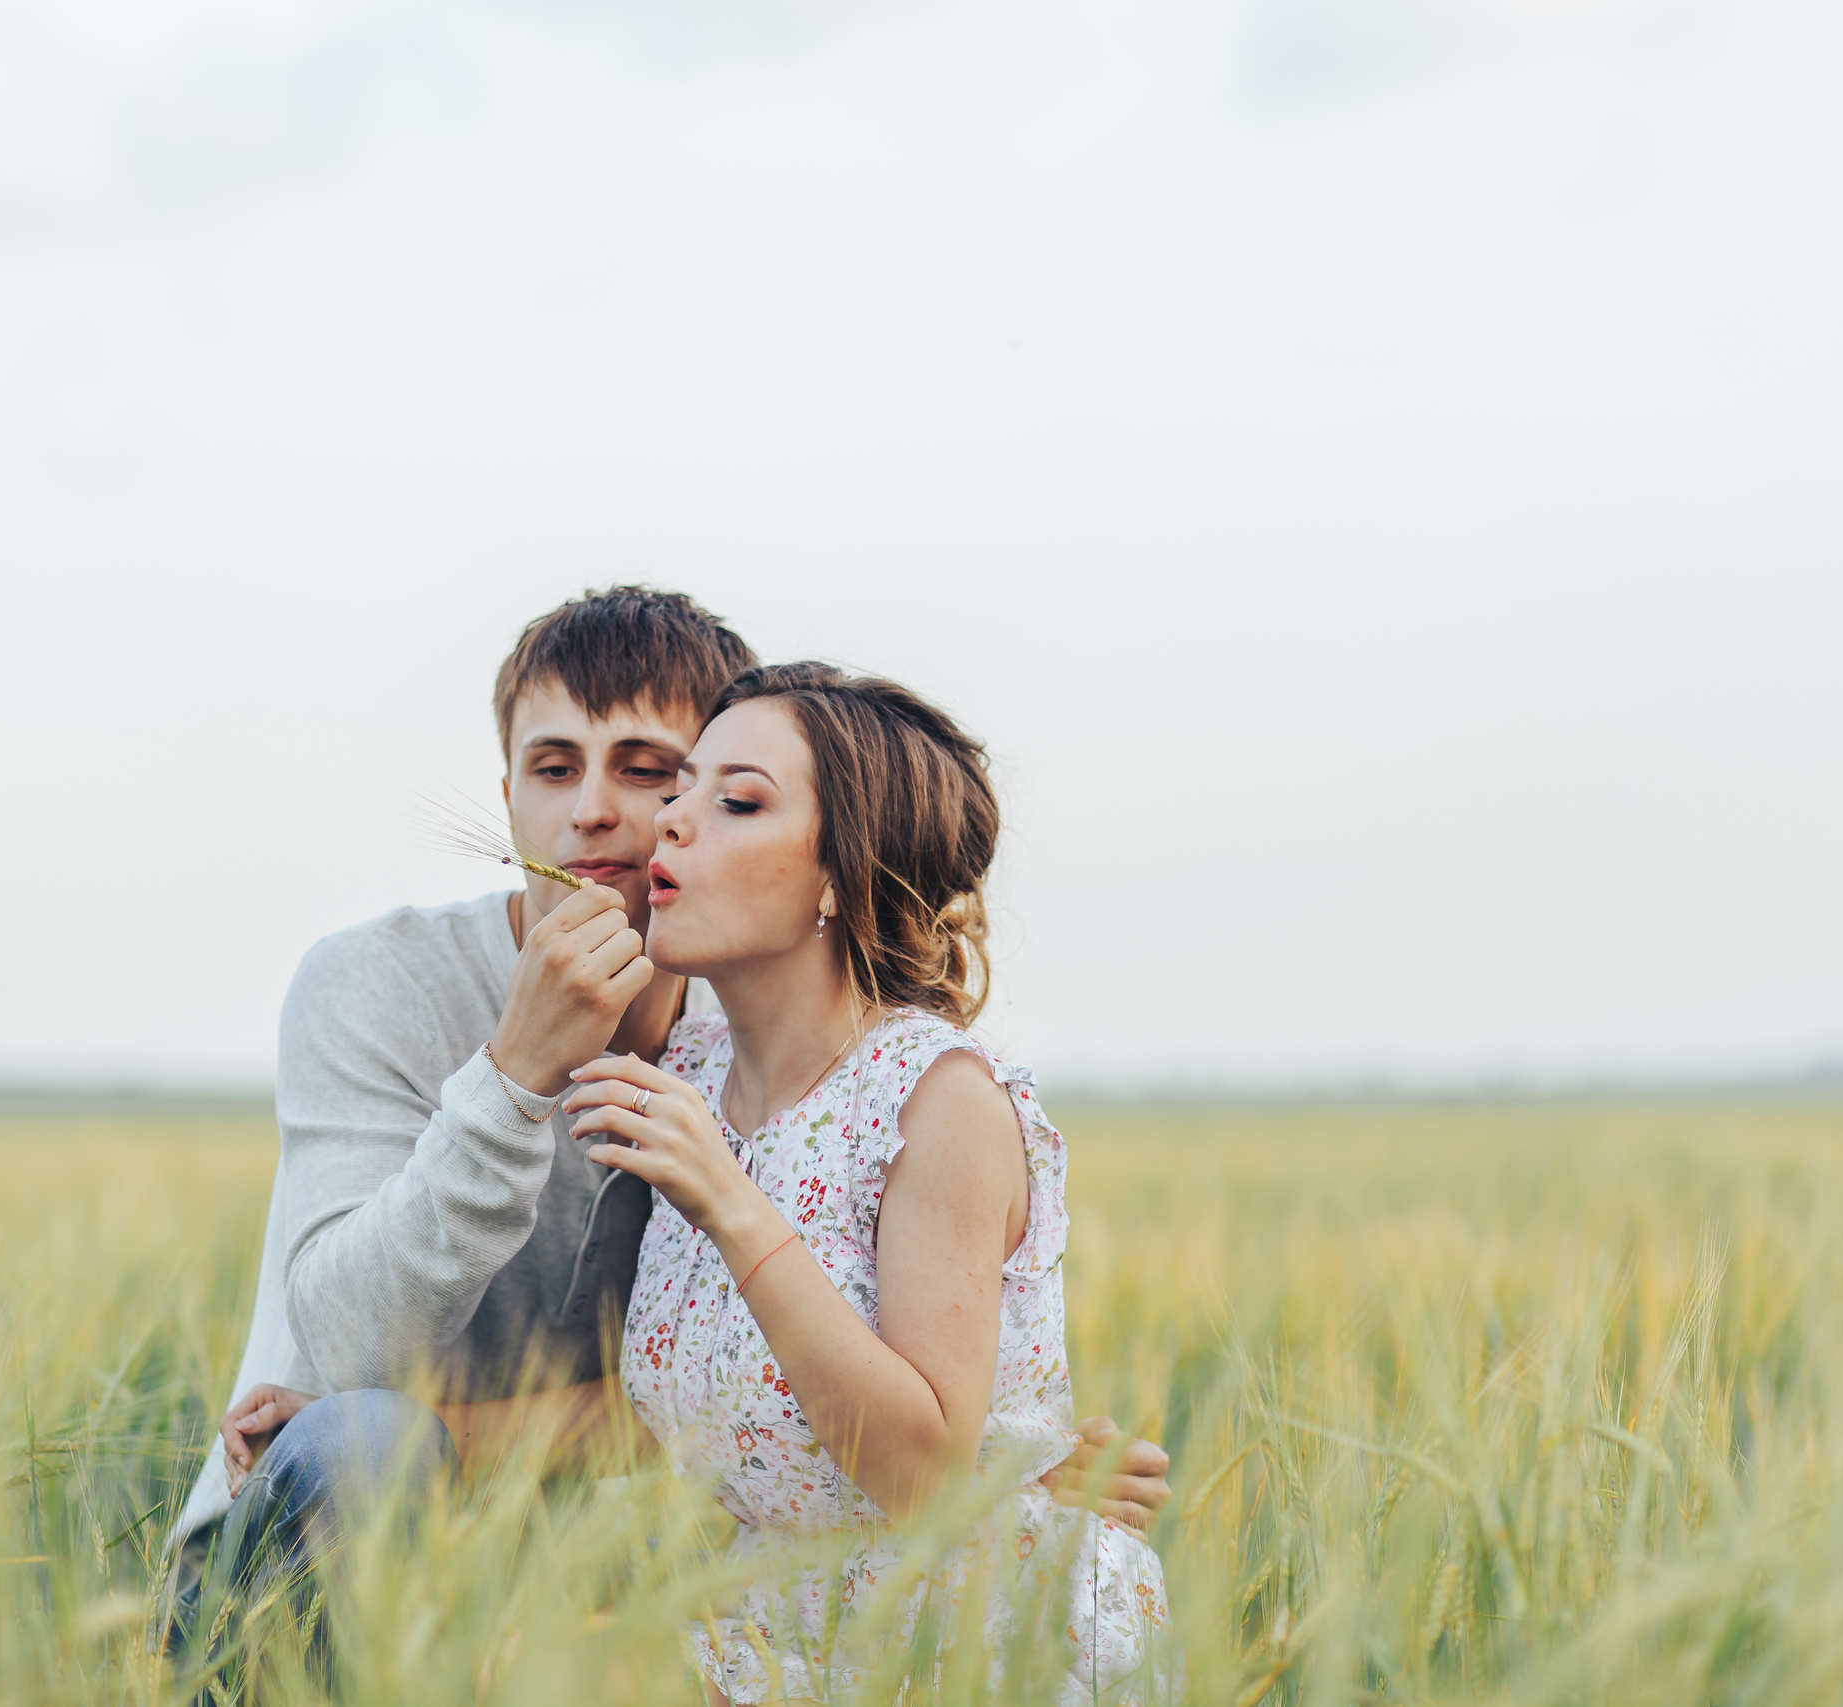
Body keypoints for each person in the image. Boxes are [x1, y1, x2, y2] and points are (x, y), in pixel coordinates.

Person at [164, 591, 1171, 1677]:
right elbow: (388, 1375)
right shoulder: (390, 989)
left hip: (668, 1592)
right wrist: (515, 1075)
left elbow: (814, 1398)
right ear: (506, 800)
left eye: (659, 773)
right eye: (553, 770)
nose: (603, 814)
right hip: (364, 1547)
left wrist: (1005, 1462)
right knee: (362, 1446)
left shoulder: (789, 1066)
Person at [563, 663, 1174, 1703]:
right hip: (756, 1633)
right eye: (682, 788)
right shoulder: (686, 1074)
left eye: (737, 800)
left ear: (839, 878)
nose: (670, 822)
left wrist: (730, 1202)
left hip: (960, 1640)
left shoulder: (936, 1100)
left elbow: (925, 1480)